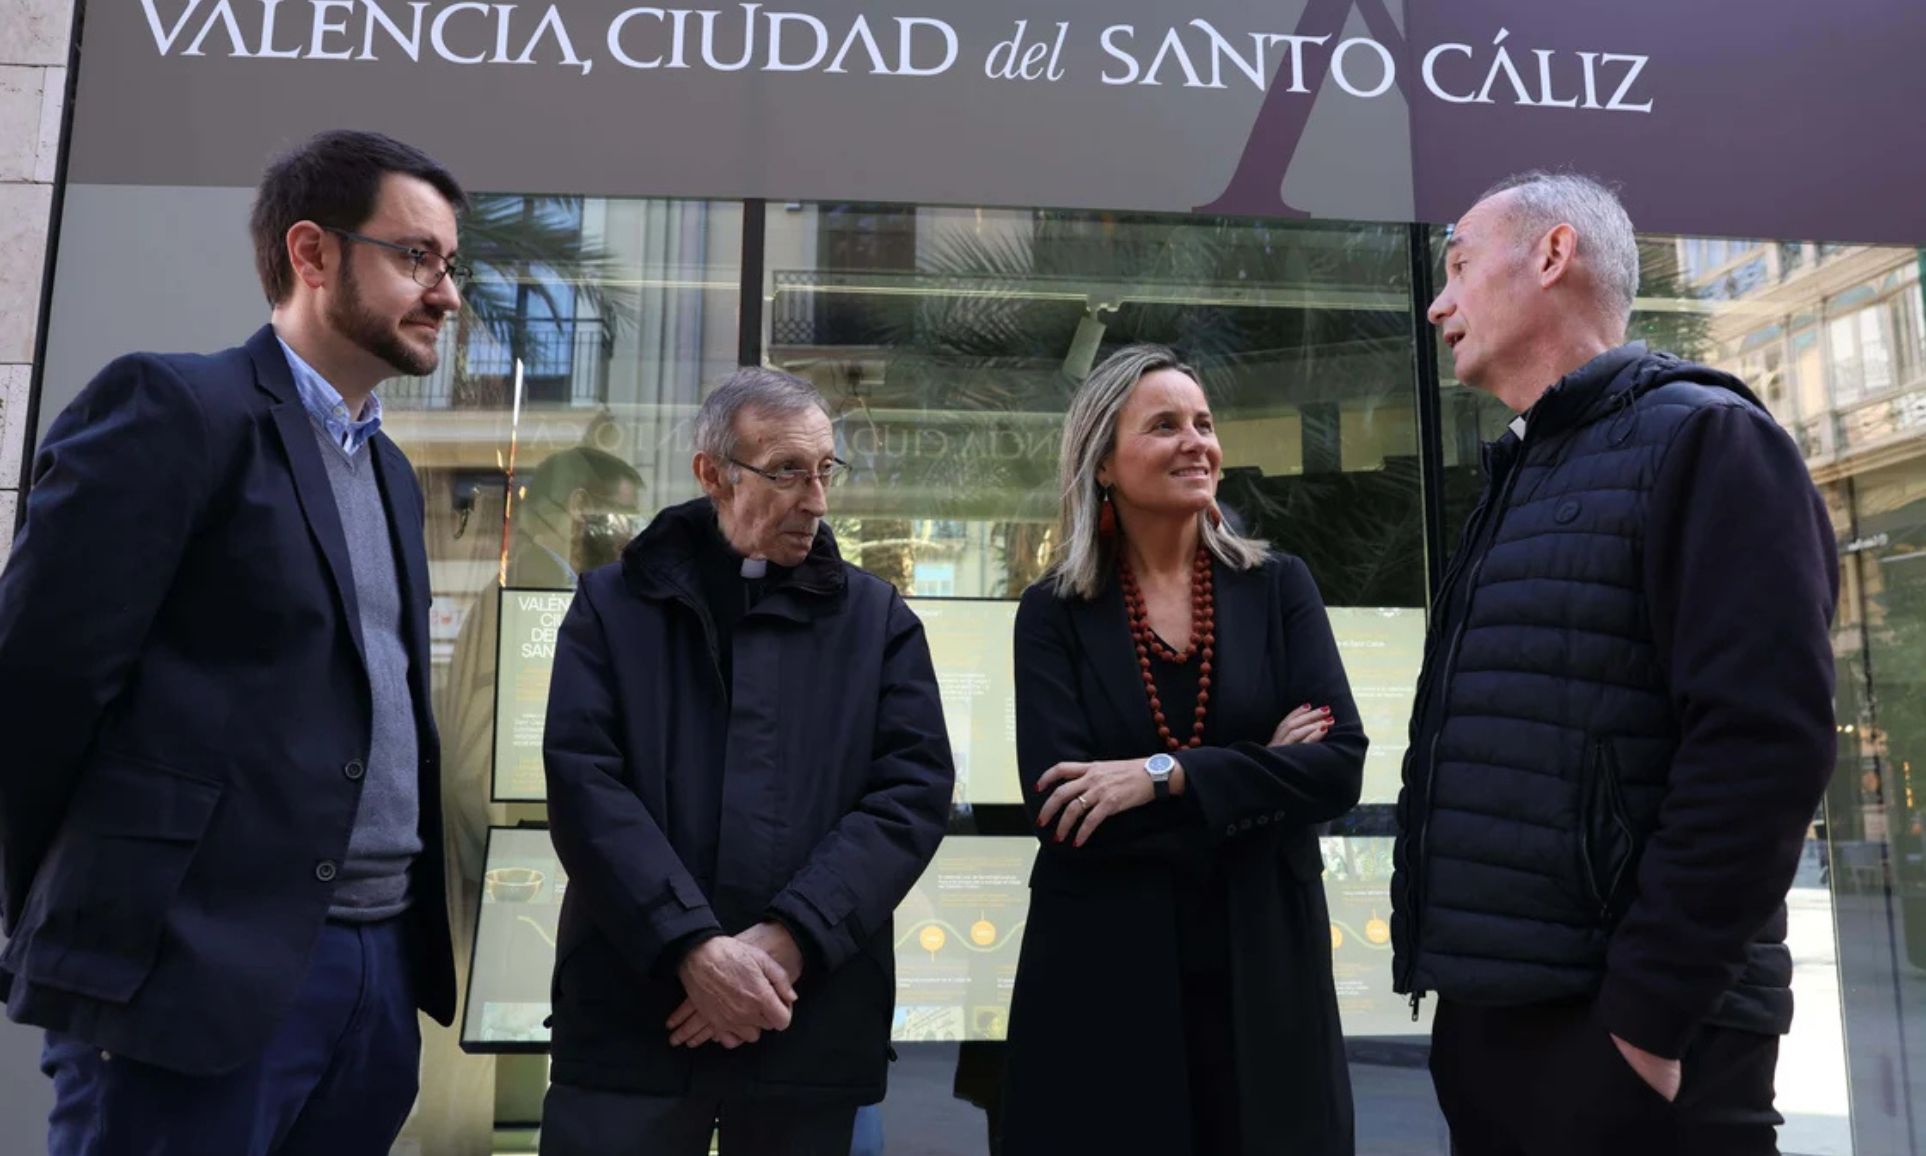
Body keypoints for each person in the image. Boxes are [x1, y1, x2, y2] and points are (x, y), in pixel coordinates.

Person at [0, 129, 470, 1155]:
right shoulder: (174, 409)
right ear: (313, 253)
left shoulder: (390, 471)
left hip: (374, 970)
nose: (446, 293)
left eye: (449, 264)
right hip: (188, 967)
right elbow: (36, 683)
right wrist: (84, 924)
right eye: (415, 257)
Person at [1393, 172, 1838, 1155]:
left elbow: (1764, 746)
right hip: (1503, 1022)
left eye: (1459, 266)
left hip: (1630, 1041)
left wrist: (1647, 1021)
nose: (1437, 303)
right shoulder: (1523, 473)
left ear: (1552, 255)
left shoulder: (1709, 438)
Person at [538, 366, 955, 1155]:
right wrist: (689, 948)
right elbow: (585, 785)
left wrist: (789, 941)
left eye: (825, 469)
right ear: (713, 474)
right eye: (788, 471)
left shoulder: (878, 621)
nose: (817, 499)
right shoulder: (612, 607)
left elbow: (912, 793)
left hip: (805, 1018)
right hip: (638, 1016)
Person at [1000, 343, 1366, 1156]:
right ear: (1103, 462)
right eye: (1164, 425)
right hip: (1107, 981)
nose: (1196, 442)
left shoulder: (1279, 586)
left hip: (1265, 969)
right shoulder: (1054, 614)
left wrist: (1160, 776)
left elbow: (1339, 767)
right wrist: (1261, 776)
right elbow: (1065, 813)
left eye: (1203, 423)